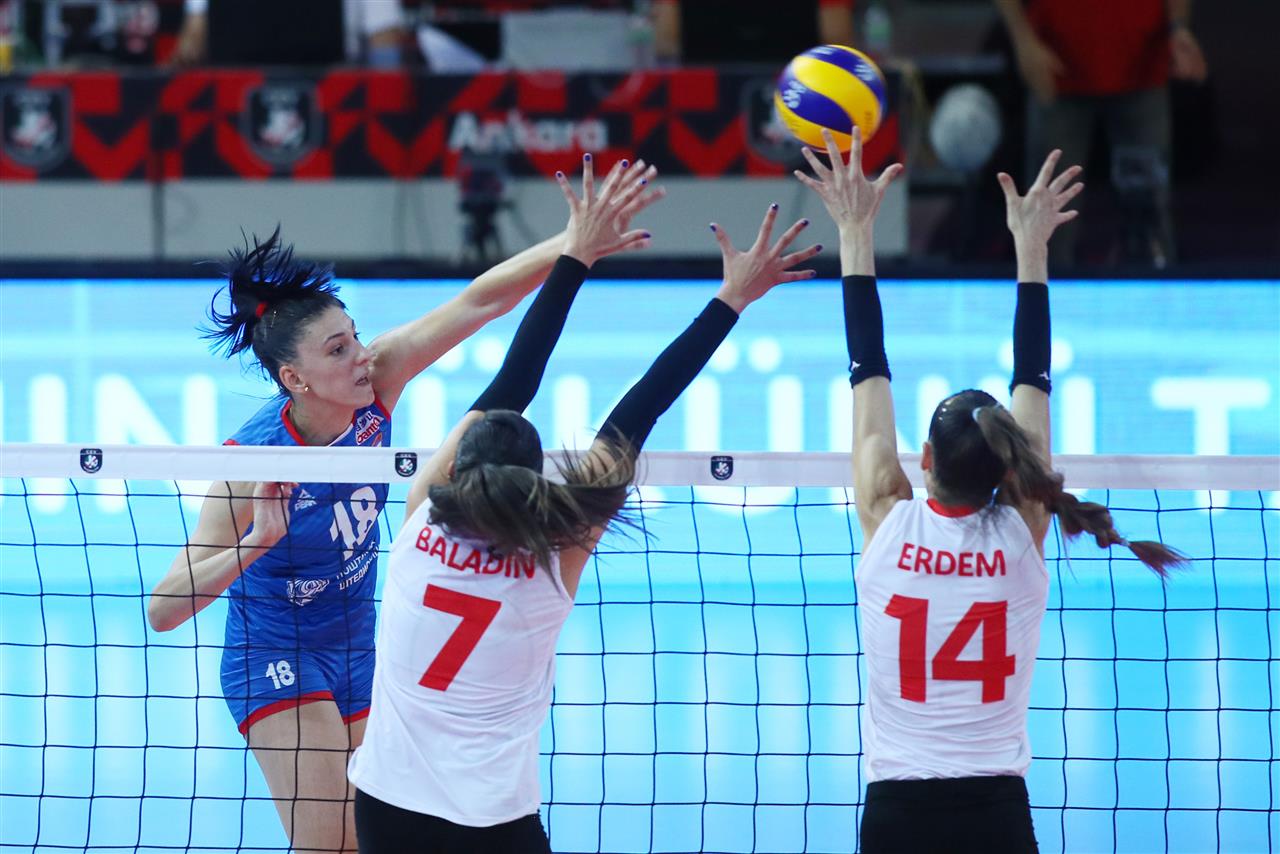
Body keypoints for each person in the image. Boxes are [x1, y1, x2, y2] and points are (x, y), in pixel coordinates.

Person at [145, 158, 662, 854]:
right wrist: (253, 545)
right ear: (294, 378)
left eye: (356, 336)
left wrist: (575, 243)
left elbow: (480, 302)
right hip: (275, 654)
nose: (361, 356)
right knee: (329, 841)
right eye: (338, 350)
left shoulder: (377, 378)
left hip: (362, 644)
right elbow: (163, 610)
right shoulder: (253, 461)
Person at [347, 159, 821, 853]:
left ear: (459, 467)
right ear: (534, 481)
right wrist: (732, 298)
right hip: (491, 820)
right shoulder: (558, 551)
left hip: (387, 806)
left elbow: (515, 379)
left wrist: (576, 253)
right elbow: (640, 409)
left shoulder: (419, 520)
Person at [796, 128, 1187, 852]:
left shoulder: (887, 516)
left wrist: (854, 232)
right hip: (996, 815)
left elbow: (866, 369)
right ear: (1011, 470)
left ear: (922, 459)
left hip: (897, 813)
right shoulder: (1022, 532)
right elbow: (1034, 378)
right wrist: (1032, 250)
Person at [994, 0, 1208, 266]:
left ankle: (1153, 285)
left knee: (1149, 216)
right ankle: (1041, 290)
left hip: (1142, 66)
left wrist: (1178, 27)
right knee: (1048, 218)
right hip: (1055, 68)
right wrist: (1023, 41)